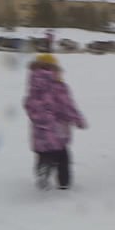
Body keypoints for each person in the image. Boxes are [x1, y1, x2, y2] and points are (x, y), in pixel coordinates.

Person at [23, 53, 86, 190]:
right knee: (63, 158)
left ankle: (42, 172)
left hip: (39, 133)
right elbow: (67, 106)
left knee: (43, 155)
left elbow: (28, 105)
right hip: (58, 131)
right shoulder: (58, 87)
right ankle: (64, 183)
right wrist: (78, 120)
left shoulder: (33, 88)